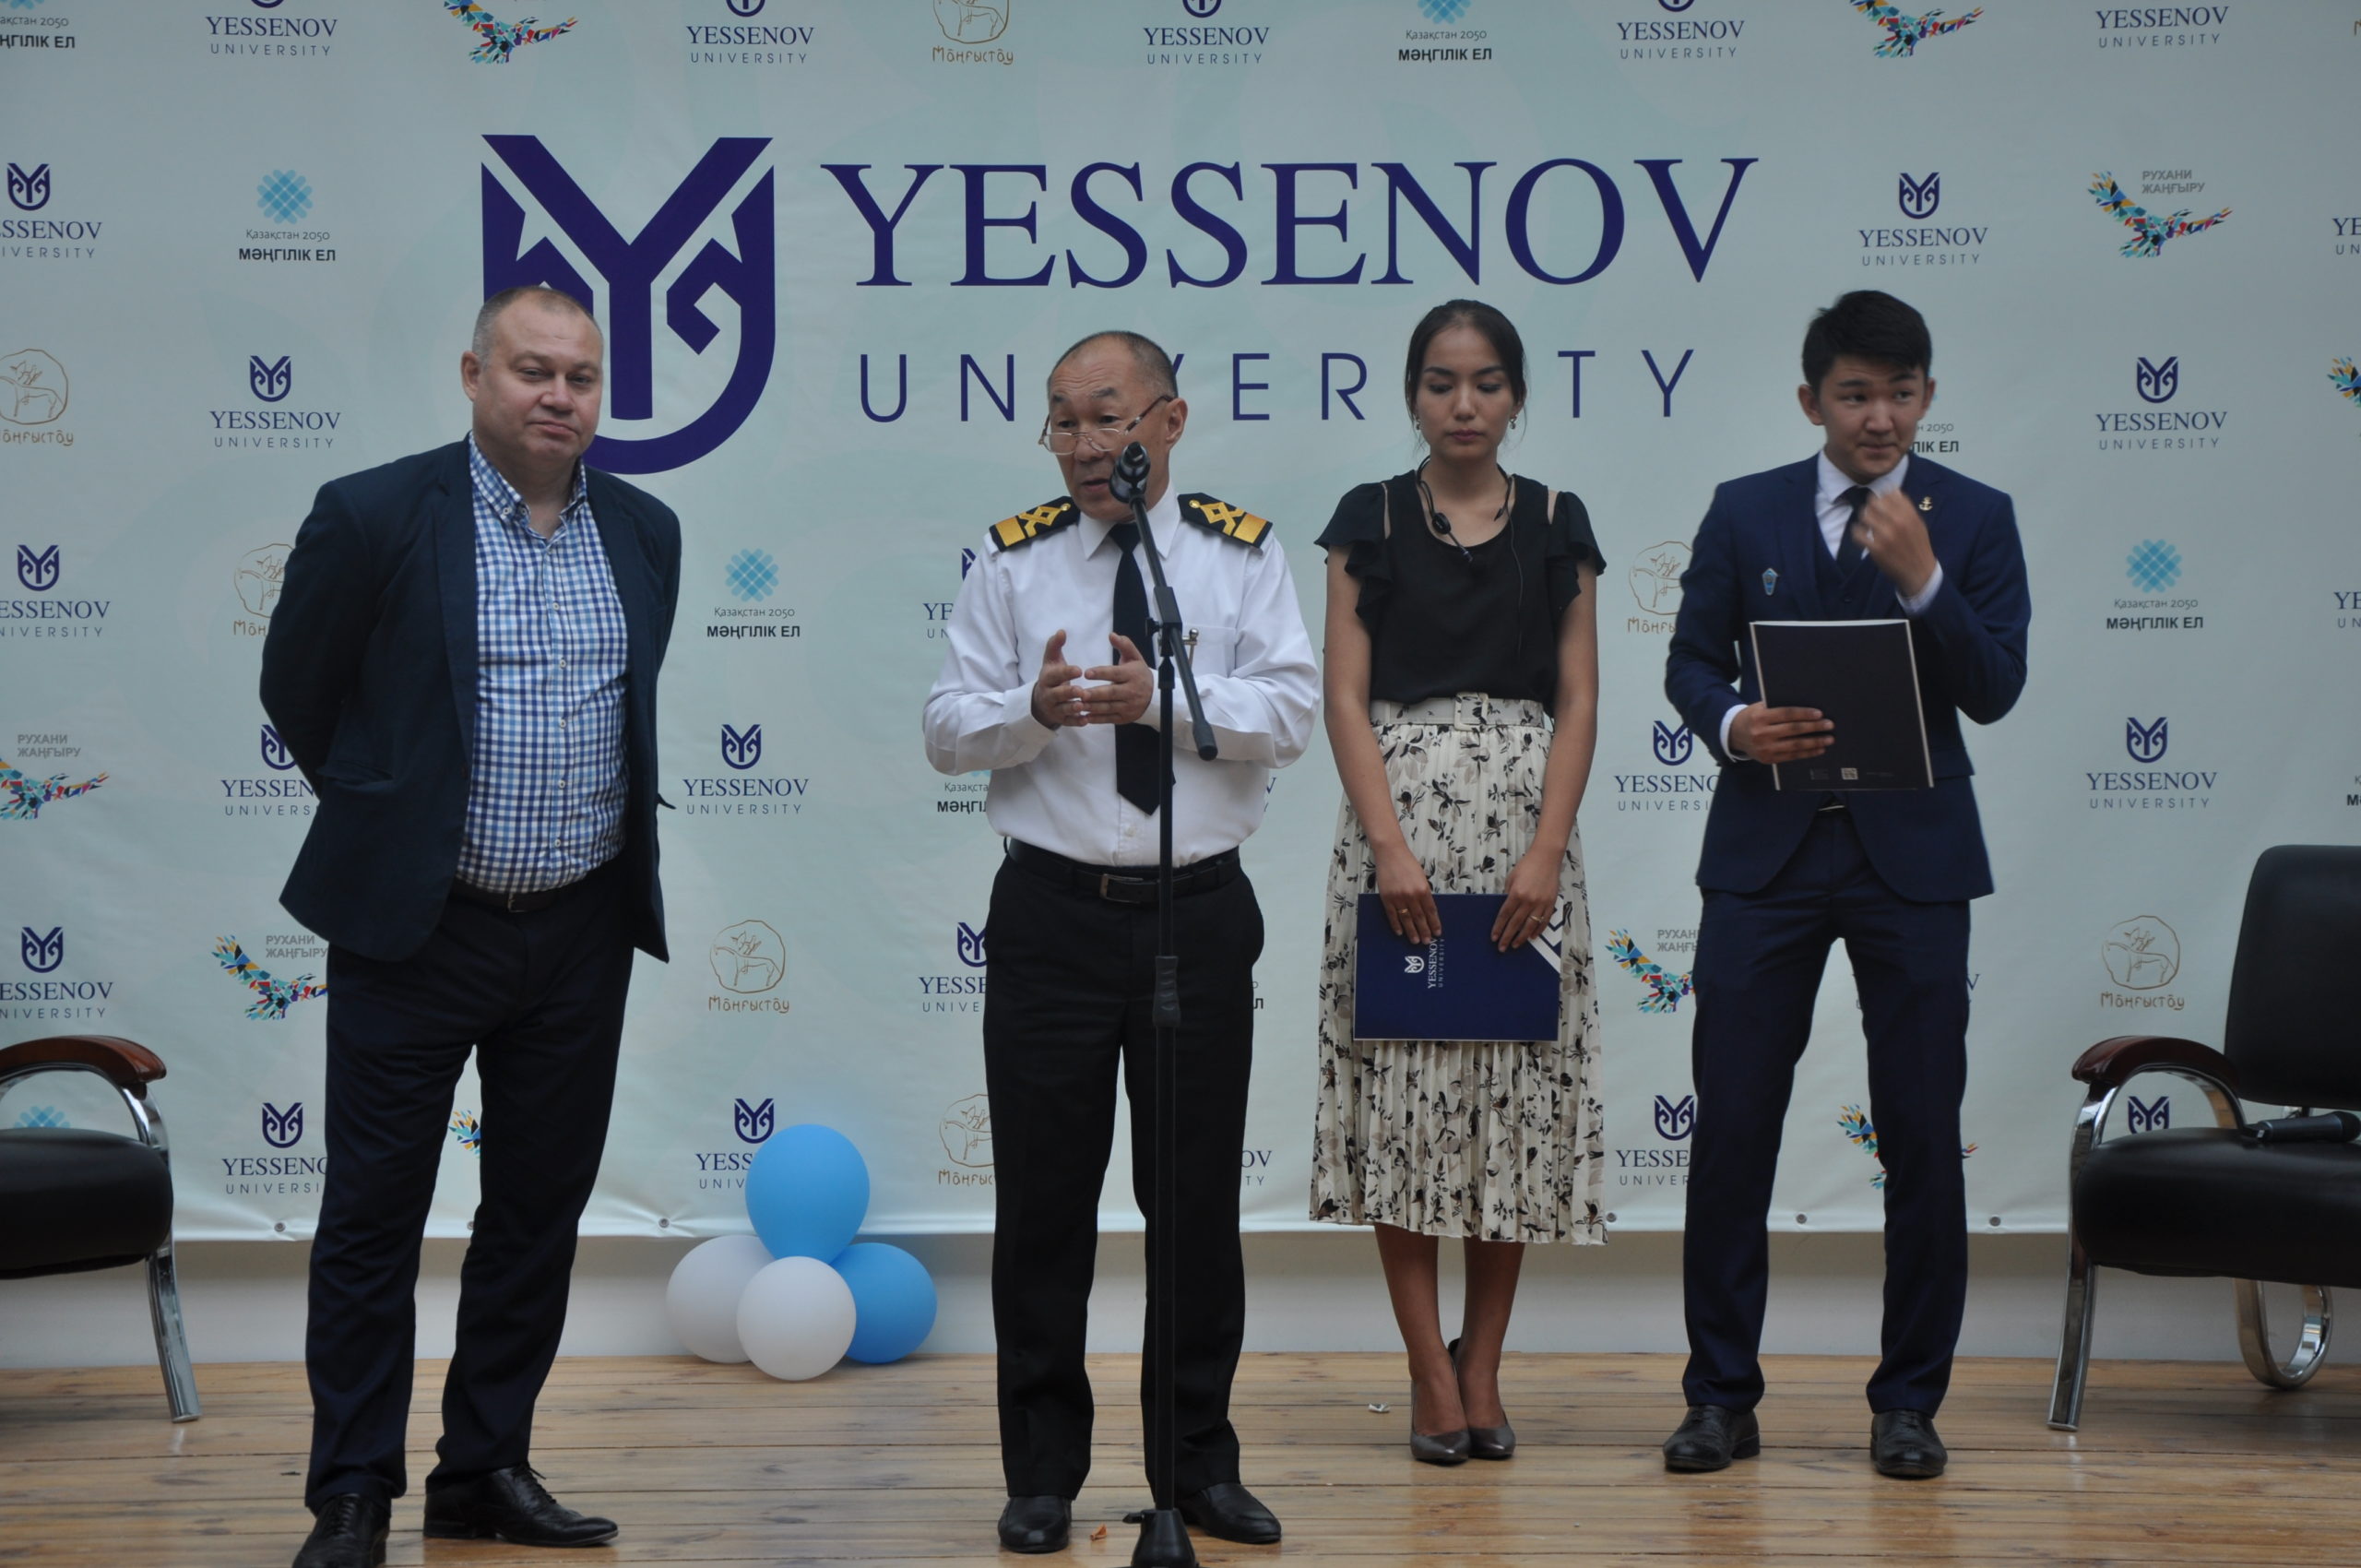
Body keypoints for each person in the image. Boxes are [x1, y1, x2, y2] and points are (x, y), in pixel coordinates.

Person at [261, 285, 681, 1568]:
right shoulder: (375, 514)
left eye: (581, 377)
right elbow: (299, 691)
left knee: (535, 1215)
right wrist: (394, 820)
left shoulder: (646, 529)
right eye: (532, 370)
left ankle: (485, 1467)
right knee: (373, 1219)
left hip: (580, 930)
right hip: (416, 929)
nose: (559, 396)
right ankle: (350, 1494)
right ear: (473, 375)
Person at [922, 330, 1319, 1555]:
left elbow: (1291, 711)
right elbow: (945, 728)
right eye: (1064, 421)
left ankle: (1195, 1468)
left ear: (1169, 423)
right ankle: (1041, 1473)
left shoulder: (1240, 557)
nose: (1087, 444)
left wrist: (1168, 701)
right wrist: (1027, 712)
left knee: (1193, 1209)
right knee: (1043, 1208)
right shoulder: (1012, 561)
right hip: (1050, 921)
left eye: (1109, 416)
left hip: (1197, 915)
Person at [1660, 290, 2030, 1479]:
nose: (1880, 416)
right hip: (1763, 857)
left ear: (1927, 396)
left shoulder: (1973, 517)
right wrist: (1732, 723)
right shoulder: (1745, 508)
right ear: (1811, 398)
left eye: (1900, 393)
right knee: (1732, 1132)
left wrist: (1925, 582)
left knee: (1919, 1132)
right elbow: (1688, 661)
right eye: (1856, 394)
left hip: (1911, 864)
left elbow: (1996, 688)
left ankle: (1908, 1403)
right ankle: (1719, 1397)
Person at [1308, 300, 1608, 1466]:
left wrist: (1545, 848)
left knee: (1510, 1103)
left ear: (1516, 395)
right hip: (1399, 832)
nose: (1464, 403)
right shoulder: (1369, 518)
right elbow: (1343, 695)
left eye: (1486, 382)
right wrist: (1388, 845)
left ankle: (1482, 1361)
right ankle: (1427, 1369)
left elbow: (1579, 696)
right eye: (1440, 382)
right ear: (1411, 395)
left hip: (1526, 832)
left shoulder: (1557, 520)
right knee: (1402, 1097)